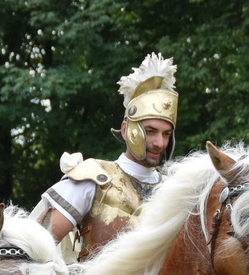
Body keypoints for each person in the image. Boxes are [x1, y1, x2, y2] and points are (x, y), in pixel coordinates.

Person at [37, 52, 179, 257]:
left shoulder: (175, 191)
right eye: (150, 131)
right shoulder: (93, 178)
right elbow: (35, 247)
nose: (159, 143)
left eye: (166, 134)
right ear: (125, 130)